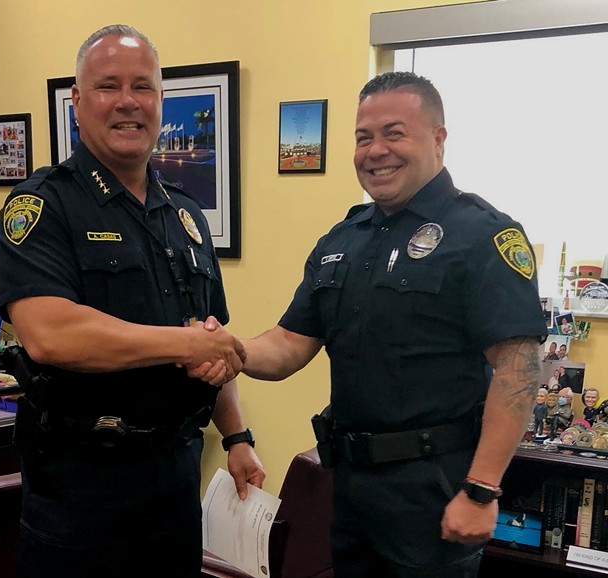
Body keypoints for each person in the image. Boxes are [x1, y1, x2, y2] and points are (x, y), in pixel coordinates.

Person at [194, 71, 547, 577]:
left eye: (394, 133)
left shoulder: (482, 235)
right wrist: (233, 350)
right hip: (351, 486)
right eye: (364, 137)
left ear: (438, 138)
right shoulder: (345, 238)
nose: (375, 150)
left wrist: (482, 489)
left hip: (434, 488)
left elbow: (518, 368)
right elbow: (290, 342)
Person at [0, 24, 265, 578]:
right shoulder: (43, 207)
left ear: (161, 101)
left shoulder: (184, 214)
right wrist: (186, 342)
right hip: (81, 486)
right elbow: (51, 333)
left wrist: (236, 436)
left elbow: (211, 332)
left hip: (172, 475)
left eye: (143, 87)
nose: (127, 102)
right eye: (107, 86)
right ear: (77, 101)